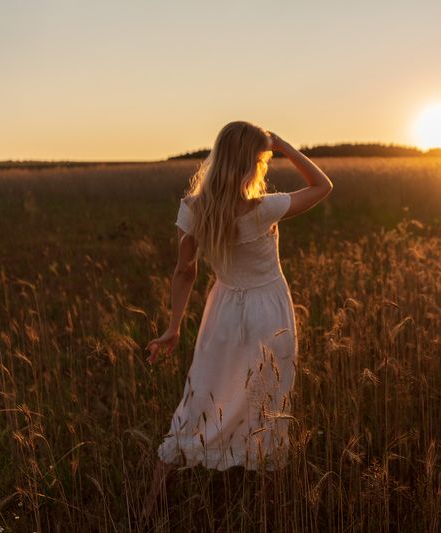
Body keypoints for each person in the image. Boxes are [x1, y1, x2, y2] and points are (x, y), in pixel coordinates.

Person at [141, 121, 333, 520]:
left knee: (198, 401)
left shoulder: (194, 209)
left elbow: (185, 272)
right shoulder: (264, 209)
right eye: (263, 160)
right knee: (267, 403)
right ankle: (268, 511)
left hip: (223, 313)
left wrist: (174, 327)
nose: (265, 166)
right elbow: (322, 186)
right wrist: (284, 146)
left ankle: (146, 511)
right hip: (270, 313)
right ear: (250, 162)